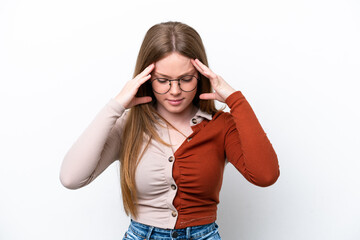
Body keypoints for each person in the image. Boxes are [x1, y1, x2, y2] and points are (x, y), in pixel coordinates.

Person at [60, 21, 280, 240]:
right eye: (163, 80)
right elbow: (71, 178)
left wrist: (236, 101)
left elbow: (265, 176)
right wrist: (116, 105)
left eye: (185, 79)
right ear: (146, 78)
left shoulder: (220, 125)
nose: (175, 91)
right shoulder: (129, 125)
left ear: (200, 76)